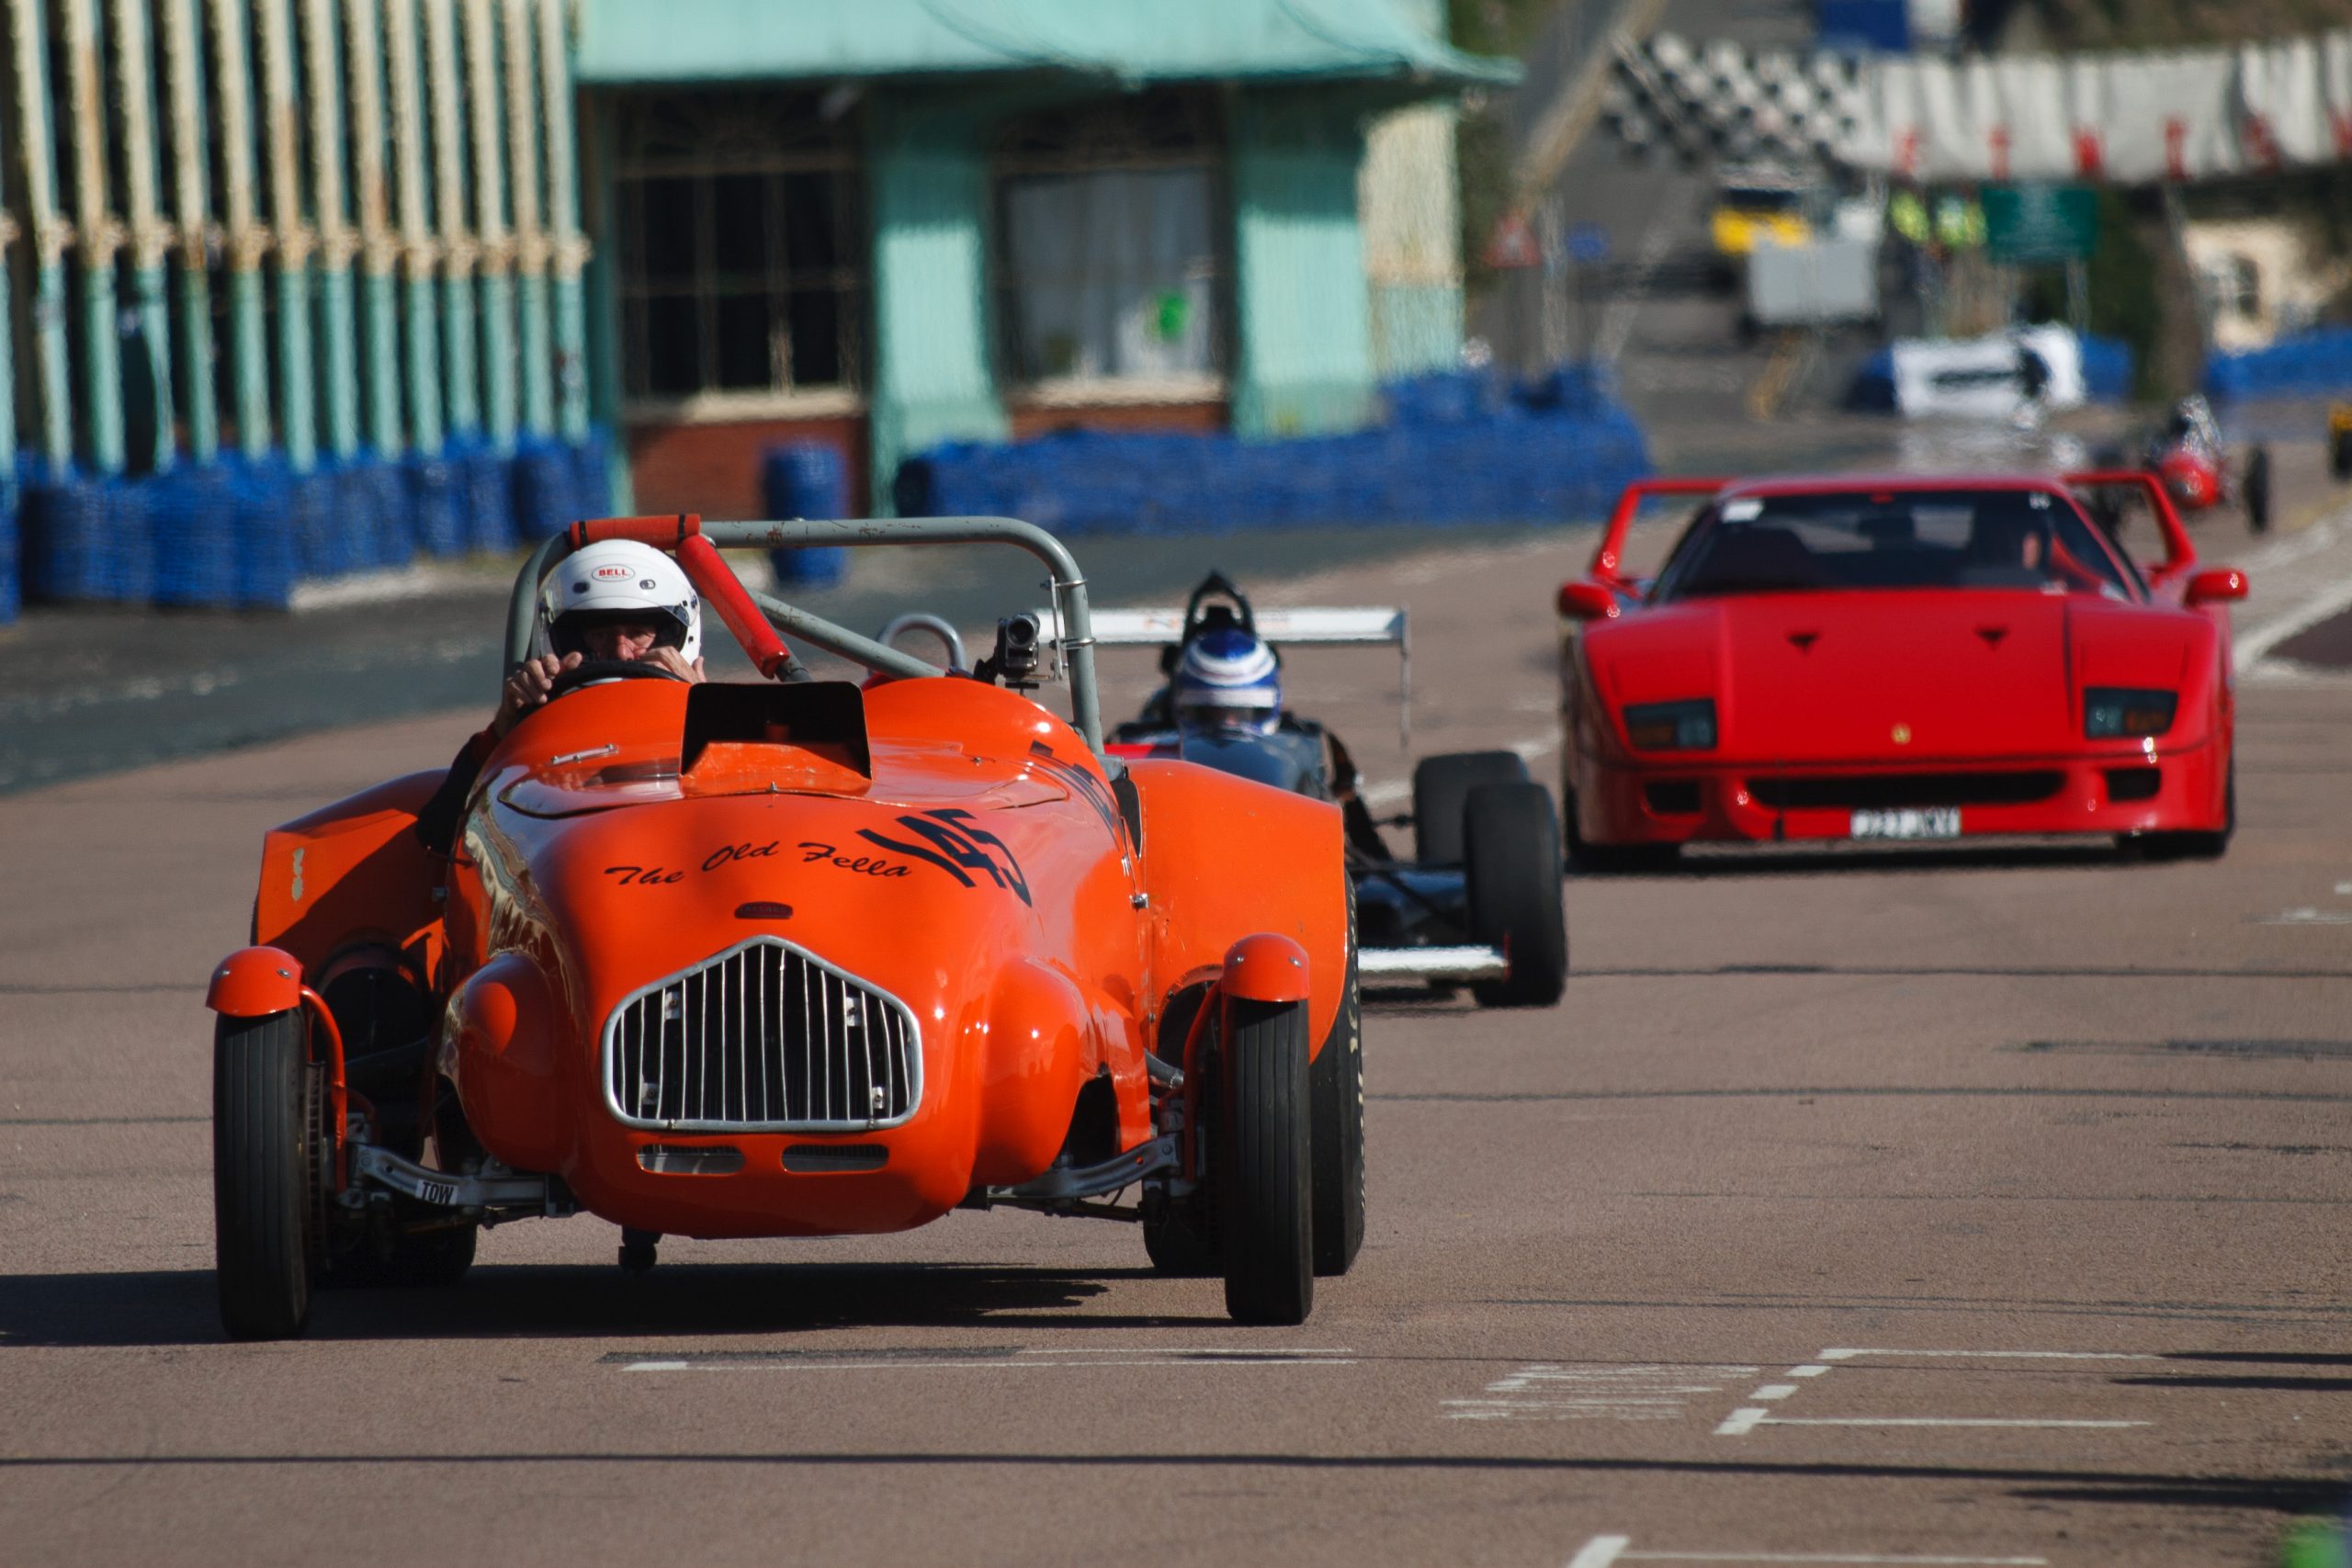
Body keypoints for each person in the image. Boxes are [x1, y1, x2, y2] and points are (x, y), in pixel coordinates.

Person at [414, 540, 708, 855]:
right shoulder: (537, 717)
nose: (621, 651)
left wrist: (709, 709)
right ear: (566, 641)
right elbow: (439, 833)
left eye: (638, 633)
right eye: (600, 634)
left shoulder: (711, 719)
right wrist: (507, 728)